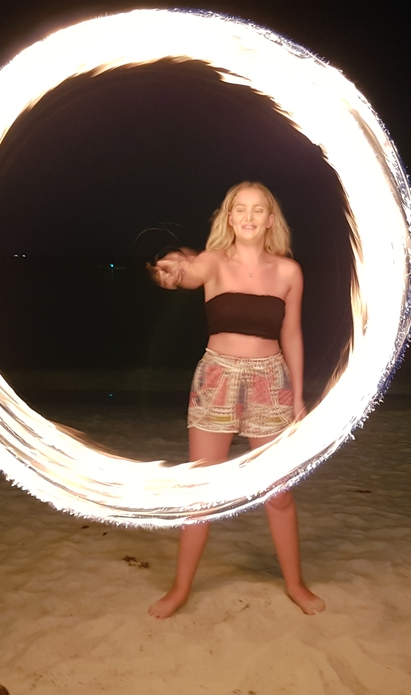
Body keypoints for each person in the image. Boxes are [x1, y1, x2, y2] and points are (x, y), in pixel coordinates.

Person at [146, 181, 325, 619]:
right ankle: (180, 589)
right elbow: (185, 274)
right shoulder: (214, 262)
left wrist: (297, 396)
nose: (248, 216)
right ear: (229, 218)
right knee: (202, 494)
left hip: (270, 382)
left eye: (257, 209)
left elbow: (292, 334)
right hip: (217, 378)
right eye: (240, 209)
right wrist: (170, 270)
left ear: (270, 219)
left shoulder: (289, 272)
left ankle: (295, 584)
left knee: (278, 494)